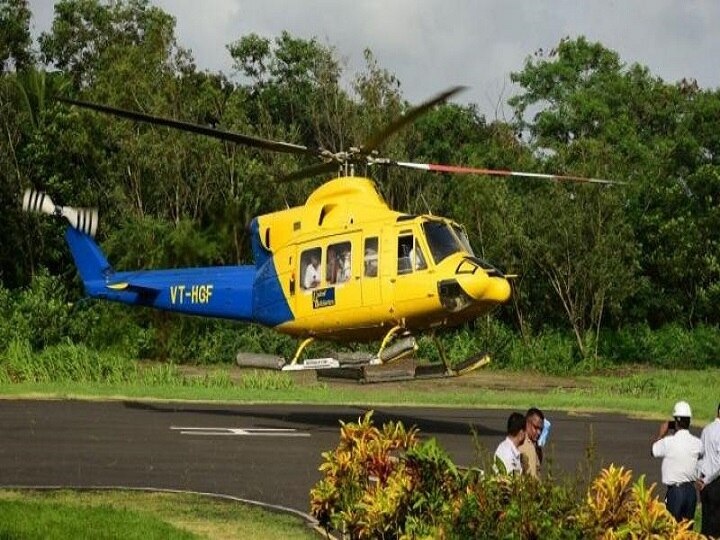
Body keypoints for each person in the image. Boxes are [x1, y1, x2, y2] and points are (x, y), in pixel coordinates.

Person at [651, 400, 702, 523]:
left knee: (672, 529)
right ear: (689, 421)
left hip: (675, 492)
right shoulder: (697, 443)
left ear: (676, 422)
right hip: (691, 492)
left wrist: (661, 434)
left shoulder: (668, 442)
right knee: (687, 531)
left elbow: (653, 450)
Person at [697, 402, 720, 537]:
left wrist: (700, 478)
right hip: (715, 481)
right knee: (715, 525)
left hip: (704, 482)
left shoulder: (706, 429)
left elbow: (701, 456)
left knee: (706, 521)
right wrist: (707, 480)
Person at [519, 407, 545, 478]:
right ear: (527, 423)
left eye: (541, 429)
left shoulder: (535, 445)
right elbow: (532, 479)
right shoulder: (528, 446)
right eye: (536, 428)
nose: (539, 432)